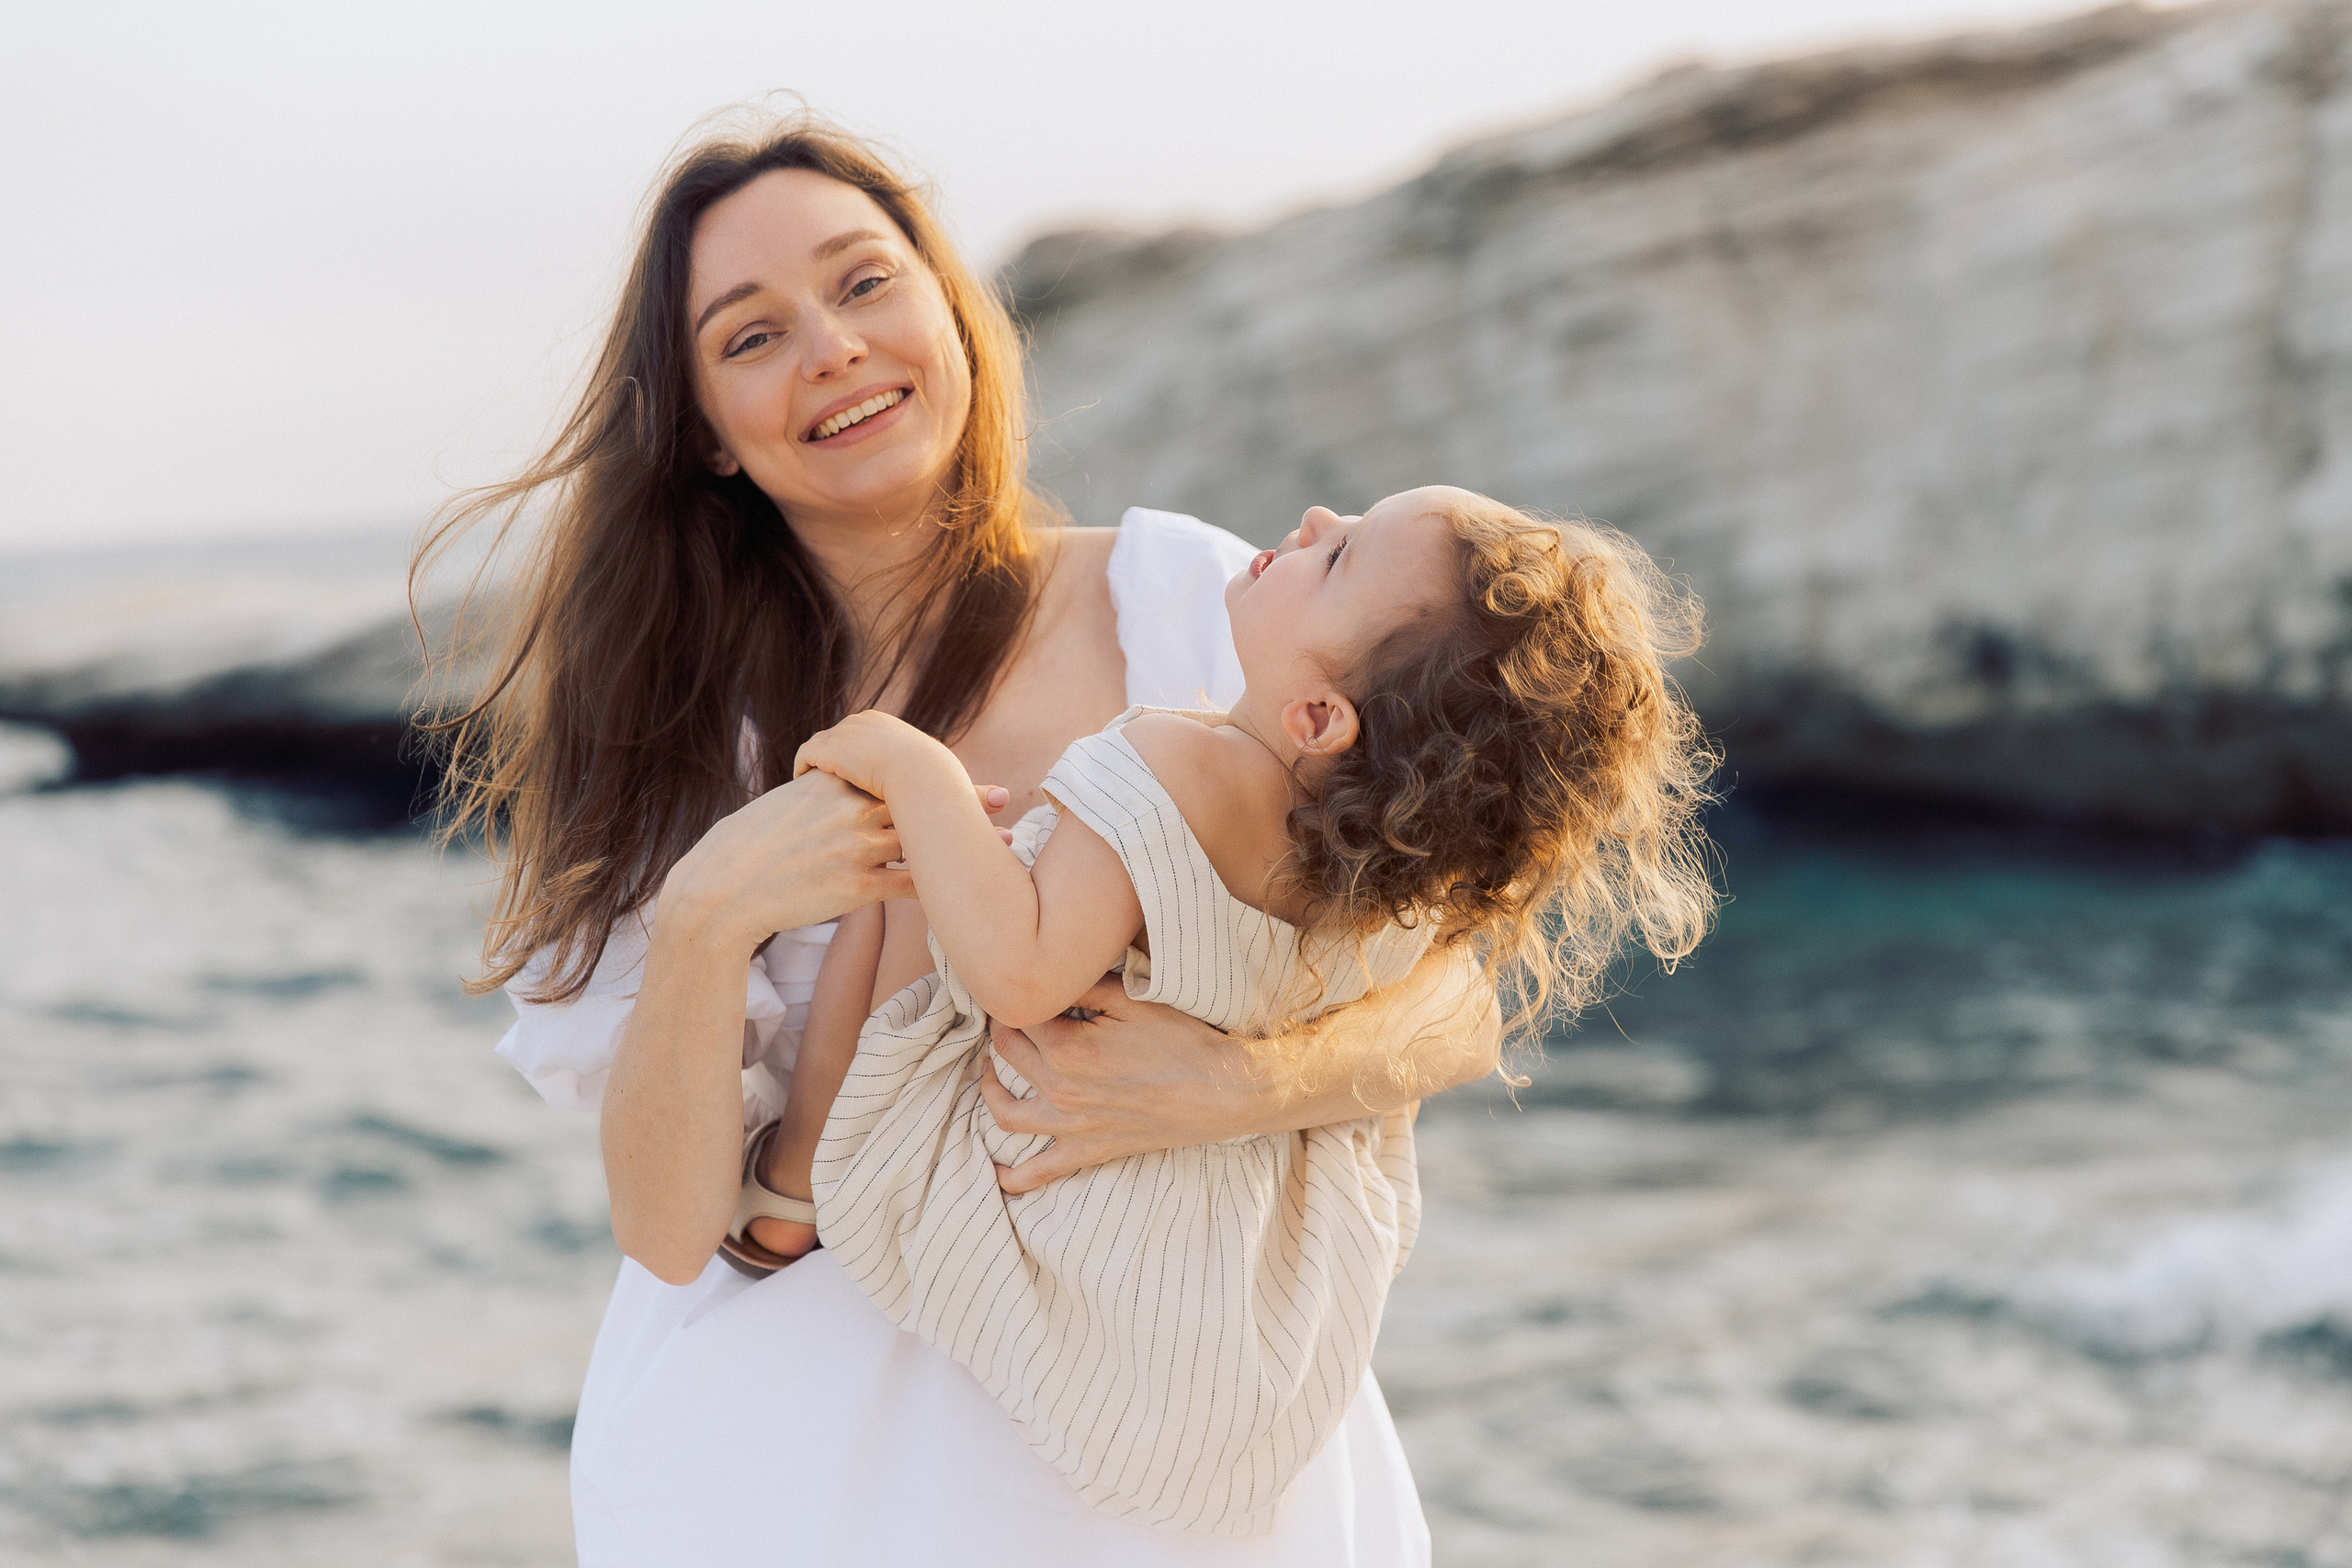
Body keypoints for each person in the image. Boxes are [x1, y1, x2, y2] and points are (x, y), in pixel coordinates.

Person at [421, 116, 1515, 1565]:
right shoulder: (671, 731)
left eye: (865, 283)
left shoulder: (1184, 600)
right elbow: (675, 1229)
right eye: (752, 337)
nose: (831, 348)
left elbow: (1458, 995)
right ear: (700, 429)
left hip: (1185, 1448)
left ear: (949, 306)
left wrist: (1240, 1083)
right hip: (804, 1473)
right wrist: (708, 911)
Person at [740, 485, 1718, 1534]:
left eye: (1339, 556)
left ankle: (797, 1177)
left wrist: (915, 768)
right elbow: (1452, 1016)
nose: (1311, 518)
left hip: (1052, 1188)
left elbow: (1015, 977)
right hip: (1233, 1298)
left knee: (906, 890)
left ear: (1315, 716)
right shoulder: (1393, 868)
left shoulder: (1171, 767)